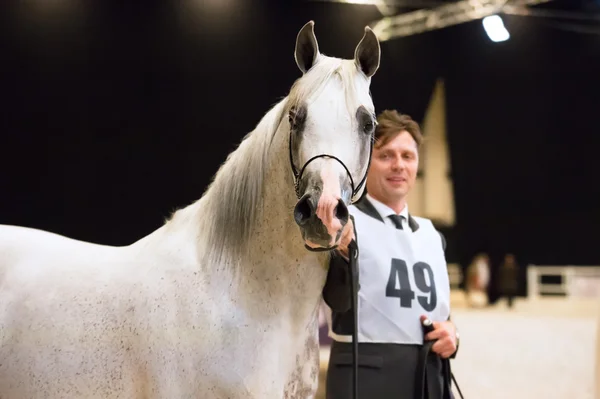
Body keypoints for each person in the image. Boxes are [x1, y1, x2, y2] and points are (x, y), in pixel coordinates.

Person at [322, 110, 459, 399]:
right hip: (365, 381)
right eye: (386, 155)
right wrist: (343, 254)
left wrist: (451, 334)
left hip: (428, 380)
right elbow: (336, 301)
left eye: (407, 156)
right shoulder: (345, 225)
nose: (399, 165)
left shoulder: (432, 235)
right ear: (366, 162)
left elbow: (435, 312)